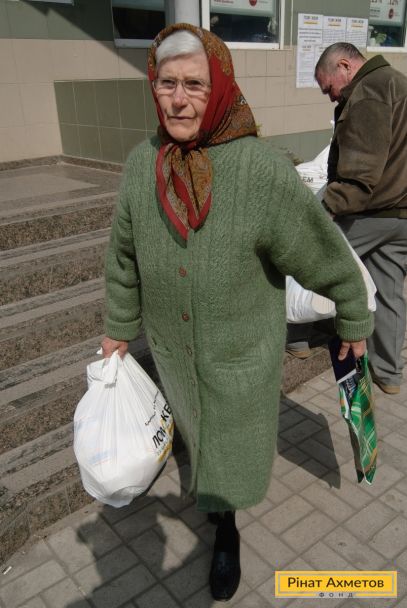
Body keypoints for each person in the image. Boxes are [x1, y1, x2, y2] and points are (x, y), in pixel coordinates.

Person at [101, 24, 373, 601]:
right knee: (197, 430)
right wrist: (118, 328)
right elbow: (123, 257)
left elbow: (320, 250)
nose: (178, 99)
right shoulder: (141, 164)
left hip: (241, 352)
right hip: (174, 352)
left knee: (232, 446)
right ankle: (214, 502)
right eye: (167, 83)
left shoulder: (259, 170)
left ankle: (225, 530)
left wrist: (353, 313)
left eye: (194, 84)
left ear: (220, 85)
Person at [313, 42, 407, 395]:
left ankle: (299, 340)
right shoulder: (398, 81)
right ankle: (388, 373)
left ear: (344, 66)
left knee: (311, 256)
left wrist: (323, 211)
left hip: (370, 212)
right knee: (389, 290)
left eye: (329, 87)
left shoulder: (368, 92)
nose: (331, 97)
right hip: (401, 215)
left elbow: (359, 175)